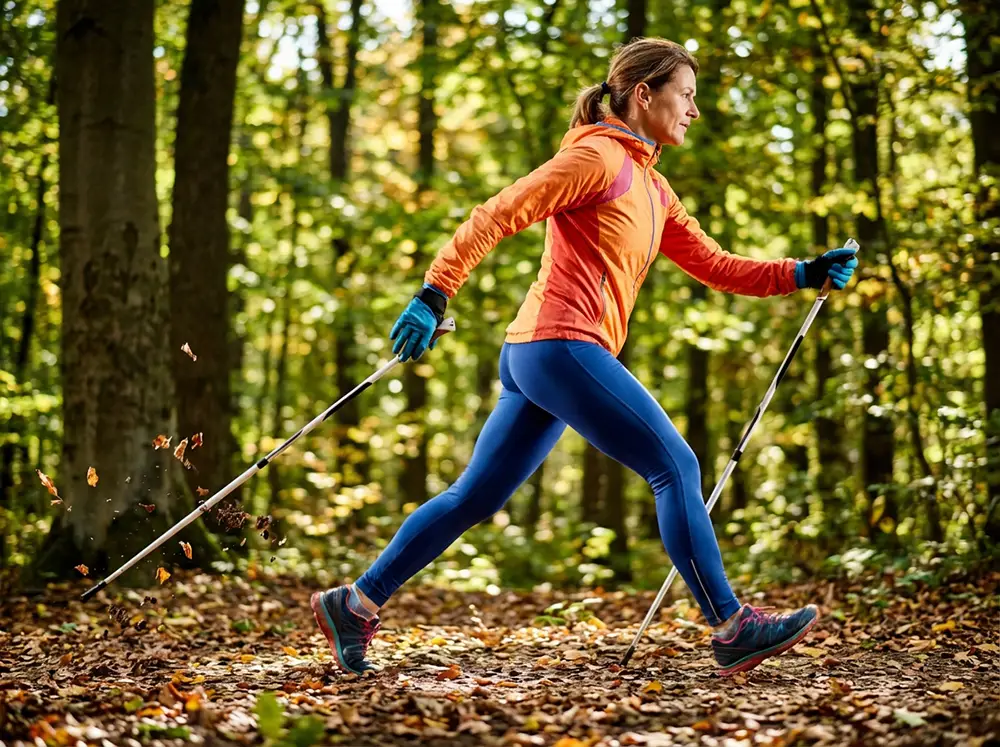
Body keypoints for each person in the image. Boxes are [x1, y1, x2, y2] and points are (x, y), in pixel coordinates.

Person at [310, 37, 858, 676]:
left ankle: (356, 603)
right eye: (686, 96)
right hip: (559, 344)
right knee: (675, 465)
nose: (694, 111)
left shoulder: (654, 188)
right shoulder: (597, 158)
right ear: (643, 94)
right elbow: (498, 213)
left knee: (473, 499)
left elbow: (715, 264)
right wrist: (434, 293)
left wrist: (800, 272)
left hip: (540, 355)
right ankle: (732, 626)